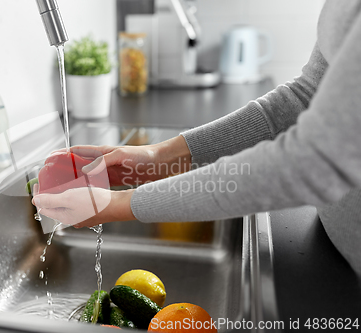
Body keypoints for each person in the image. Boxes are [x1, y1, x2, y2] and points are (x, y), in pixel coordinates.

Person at [33, 0, 361, 275]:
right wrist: (157, 158)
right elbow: (302, 98)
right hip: (329, 250)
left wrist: (119, 204)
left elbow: (312, 162)